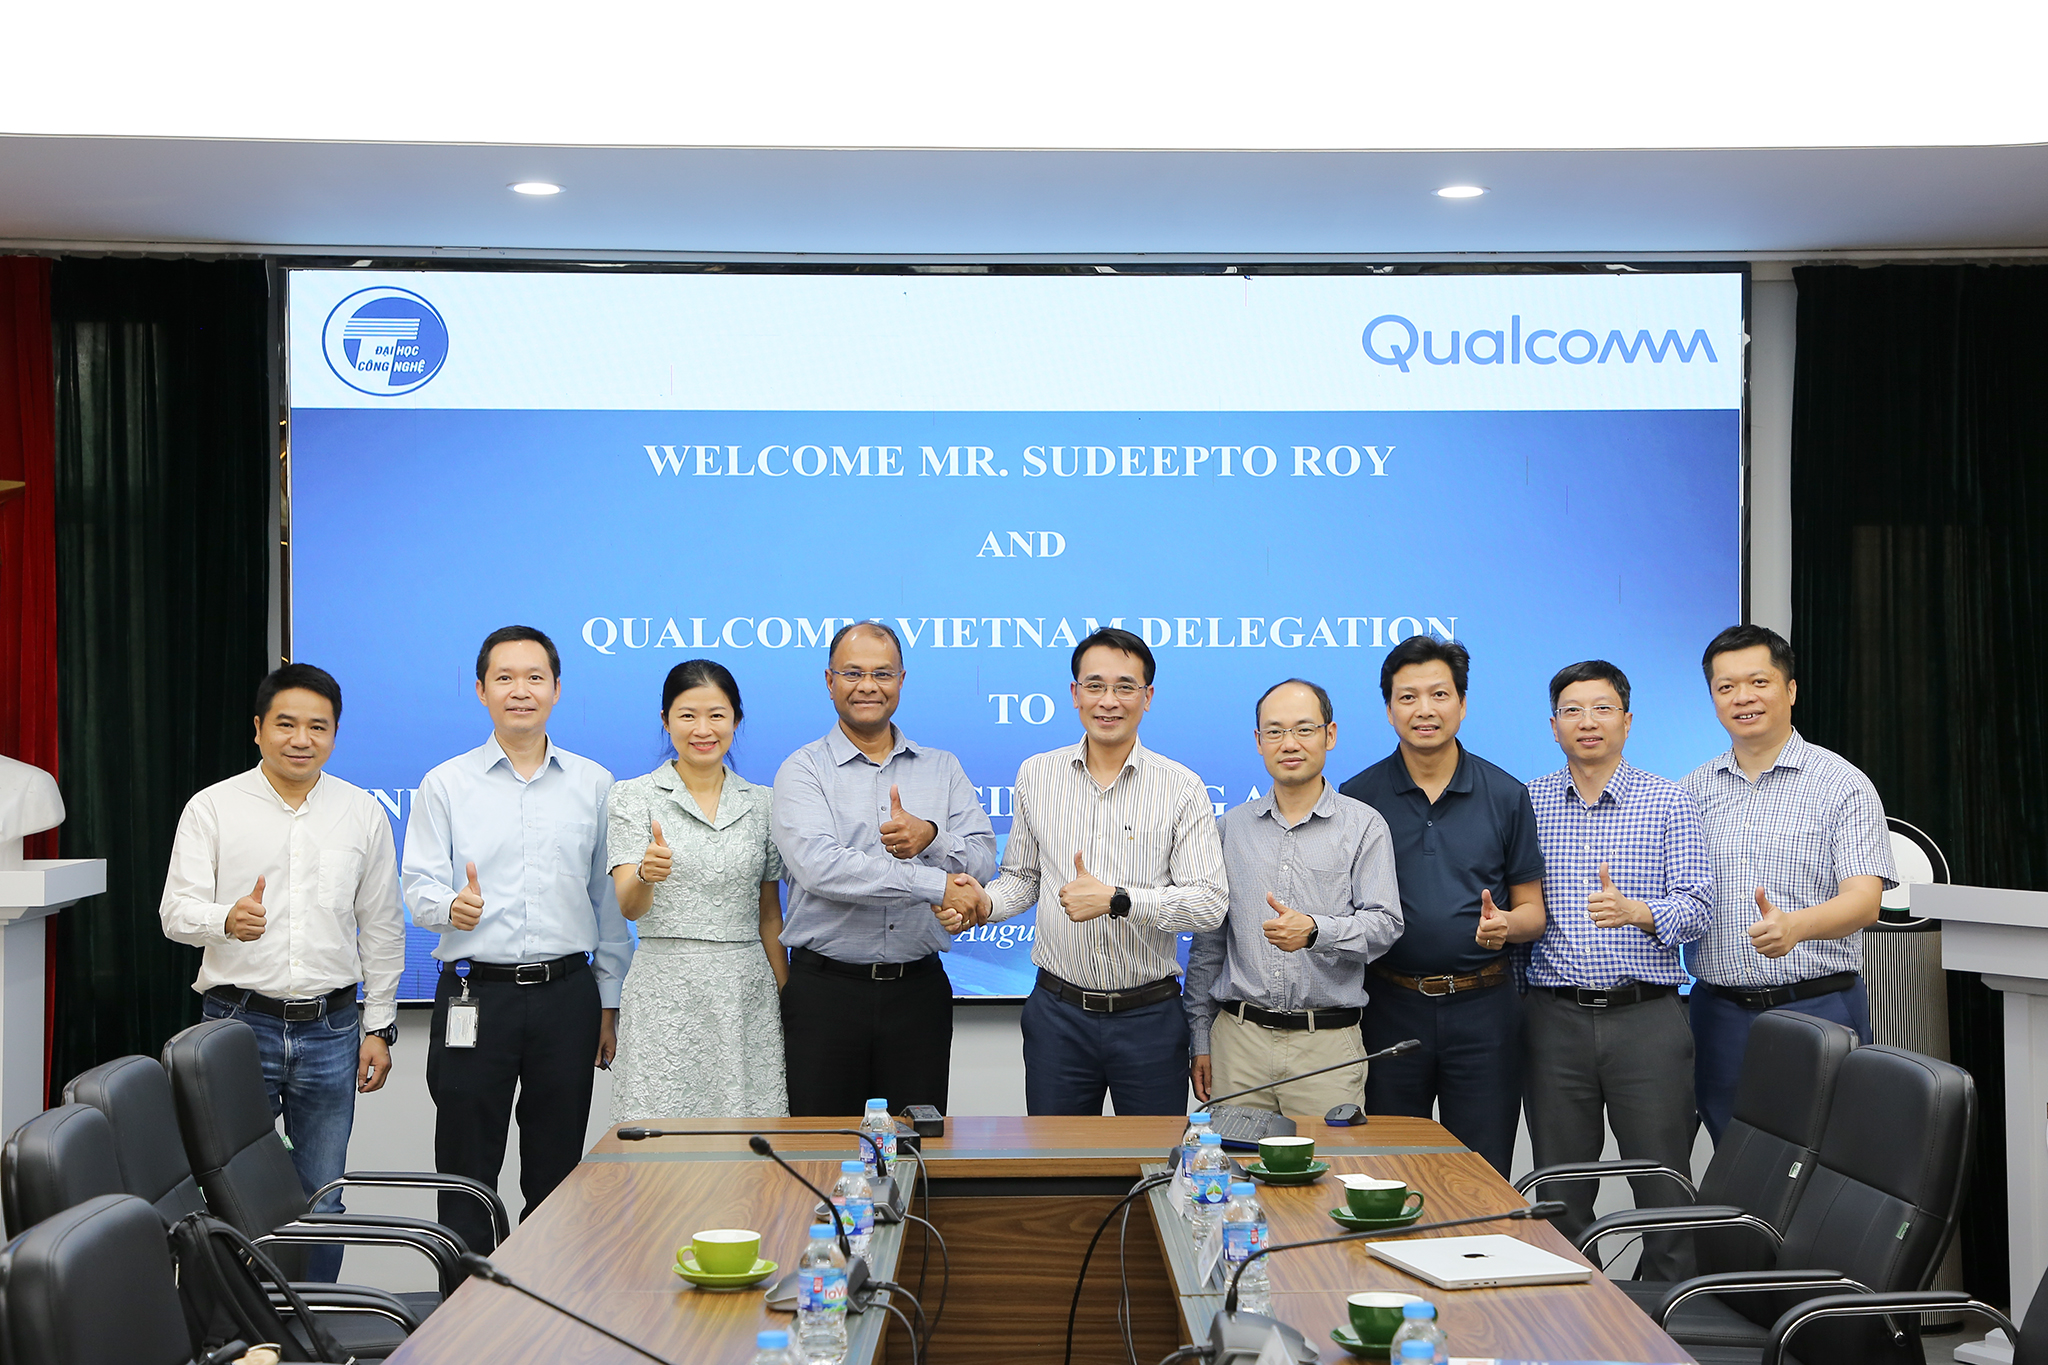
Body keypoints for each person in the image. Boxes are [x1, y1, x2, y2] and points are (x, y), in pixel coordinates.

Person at [159, 663, 404, 1281]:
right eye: (286, 724)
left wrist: (380, 1027)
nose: (301, 739)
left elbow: (381, 925)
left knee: (324, 1197)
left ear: (335, 734)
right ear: (258, 729)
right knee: (226, 1198)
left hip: (332, 1028)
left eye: (318, 727)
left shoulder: (361, 812)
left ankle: (313, 1322)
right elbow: (174, 914)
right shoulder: (213, 807)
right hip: (236, 1025)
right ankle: (239, 1325)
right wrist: (224, 919)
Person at [402, 626, 632, 1255]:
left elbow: (608, 902)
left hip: (567, 995)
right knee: (465, 1171)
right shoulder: (445, 783)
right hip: (475, 995)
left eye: (535, 677)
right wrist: (451, 907)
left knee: (557, 1171)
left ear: (557, 689)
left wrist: (609, 999)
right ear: (481, 691)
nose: (520, 690)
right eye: (504, 678)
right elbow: (418, 887)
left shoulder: (595, 784)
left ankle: (546, 1304)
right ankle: (463, 1308)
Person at [944, 627, 1227, 1116]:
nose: (1108, 701)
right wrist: (984, 903)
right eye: (1095, 685)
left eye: (1124, 687)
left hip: (1149, 1017)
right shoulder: (1037, 775)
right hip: (1058, 1017)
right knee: (1058, 1159)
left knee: (1152, 1158)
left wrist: (1120, 900)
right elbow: (1023, 879)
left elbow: (1209, 904)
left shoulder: (1181, 787)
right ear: (1075, 693)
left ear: (1147, 697)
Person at [1522, 660, 1712, 1277]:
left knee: (1663, 1185)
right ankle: (1574, 1313)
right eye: (1572, 710)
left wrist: (1640, 912)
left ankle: (1672, 1315)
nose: (1588, 721)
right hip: (1554, 1019)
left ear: (1627, 721)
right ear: (1554, 725)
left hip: (1646, 1019)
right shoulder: (1527, 802)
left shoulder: (1670, 801)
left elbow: (1699, 907)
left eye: (1602, 708)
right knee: (1560, 1190)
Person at [1338, 636, 1544, 1175]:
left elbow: (1533, 912)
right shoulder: (1357, 798)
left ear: (1462, 704)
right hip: (1388, 1008)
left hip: (1485, 1010)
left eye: (1439, 694)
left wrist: (1506, 926)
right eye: (1407, 697)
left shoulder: (1506, 794)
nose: (1424, 710)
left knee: (1482, 1172)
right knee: (1387, 1171)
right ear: (1388, 709)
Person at [771, 621, 996, 1116]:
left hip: (918, 994)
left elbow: (983, 857)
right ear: (829, 681)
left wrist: (931, 838)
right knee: (823, 1147)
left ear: (901, 680)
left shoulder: (942, 768)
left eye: (882, 673)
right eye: (853, 673)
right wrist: (934, 884)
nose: (868, 686)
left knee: (916, 1145)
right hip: (826, 994)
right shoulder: (803, 769)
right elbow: (820, 868)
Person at [1683, 624, 1895, 1141]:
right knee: (1734, 1161)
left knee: (1822, 1160)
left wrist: (1795, 927)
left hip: (1816, 1008)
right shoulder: (1690, 790)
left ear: (1791, 689)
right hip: (1717, 1013)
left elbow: (1864, 902)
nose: (1743, 697)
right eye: (1726, 686)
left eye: (1759, 682)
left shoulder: (1841, 783)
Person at [1184, 679, 1402, 1115]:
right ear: (1258, 741)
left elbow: (1385, 925)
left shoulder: (1364, 826)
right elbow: (1208, 947)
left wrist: (1317, 931)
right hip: (1238, 1045)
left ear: (1330, 735)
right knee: (1233, 1159)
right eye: (1275, 731)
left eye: (1304, 729)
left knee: (1328, 1160)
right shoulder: (1229, 830)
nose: (1289, 743)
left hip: (1327, 1048)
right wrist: (1200, 1037)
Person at [607, 659, 788, 1121]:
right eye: (687, 715)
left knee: (748, 1129)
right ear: (666, 720)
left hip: (746, 992)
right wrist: (646, 874)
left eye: (716, 715)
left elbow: (770, 914)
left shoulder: (764, 803)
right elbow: (629, 906)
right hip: (664, 991)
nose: (702, 729)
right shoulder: (633, 796)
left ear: (736, 720)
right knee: (660, 1129)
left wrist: (787, 995)